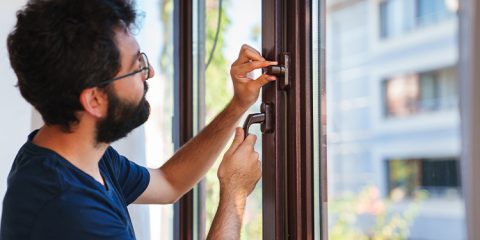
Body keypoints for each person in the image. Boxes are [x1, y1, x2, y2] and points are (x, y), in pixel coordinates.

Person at [0, 0, 277, 239]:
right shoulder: (70, 210)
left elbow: (170, 183)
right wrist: (235, 194)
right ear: (94, 99)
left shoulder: (82, 157)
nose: (150, 72)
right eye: (136, 67)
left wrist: (238, 105)